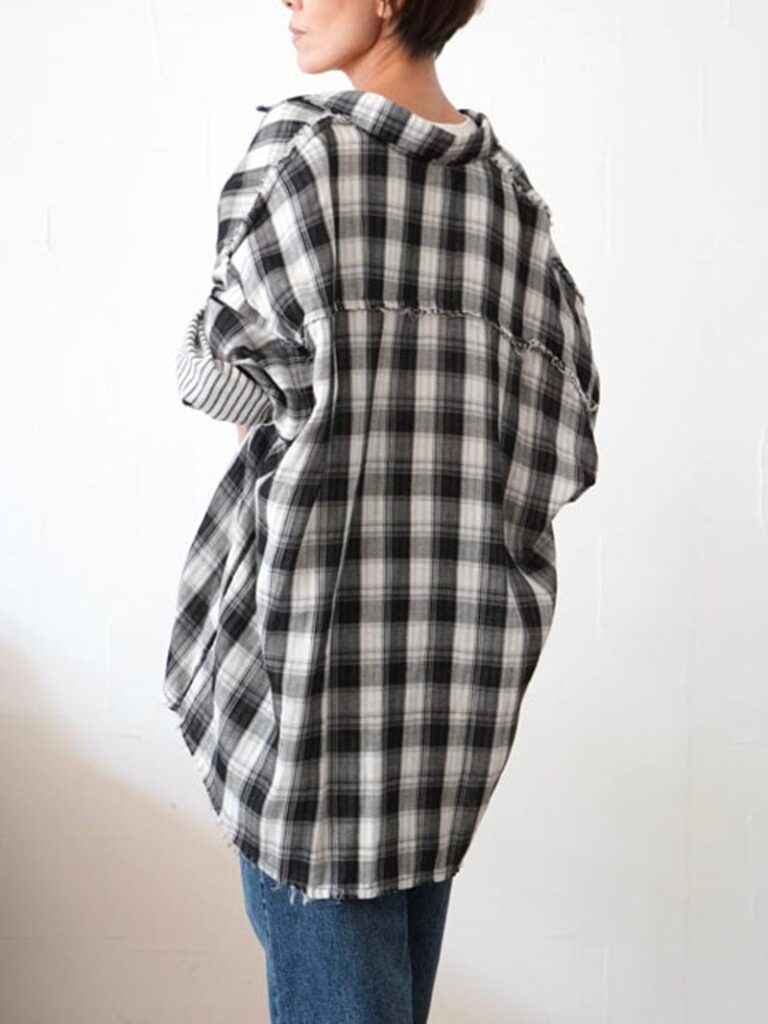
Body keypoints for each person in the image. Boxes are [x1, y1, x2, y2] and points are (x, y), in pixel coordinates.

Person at [164, 1, 601, 1021]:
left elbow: (215, 376)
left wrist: (328, 405)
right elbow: (565, 437)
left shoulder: (305, 158)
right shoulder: (514, 206)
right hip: (448, 706)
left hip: (311, 695)